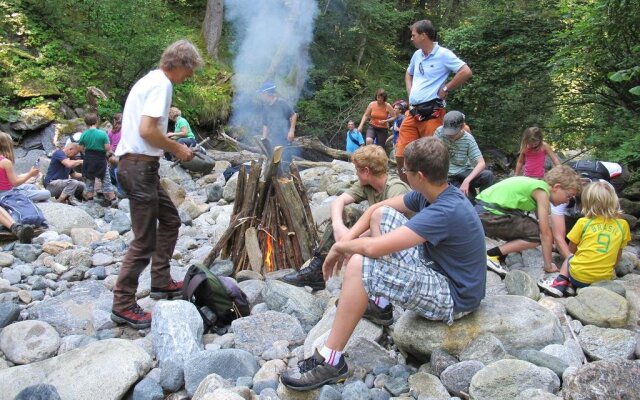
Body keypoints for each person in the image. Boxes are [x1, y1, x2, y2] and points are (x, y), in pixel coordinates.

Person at [280, 137, 486, 390]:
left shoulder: (444, 210)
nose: (402, 174)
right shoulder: (431, 194)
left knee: (358, 263)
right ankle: (380, 303)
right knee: (382, 214)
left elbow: (373, 248)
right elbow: (374, 211)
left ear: (419, 176)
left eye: (405, 171)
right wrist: (348, 237)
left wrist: (339, 246)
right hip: (438, 269)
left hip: (454, 297)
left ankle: (332, 360)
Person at [111, 39, 202, 329]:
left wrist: (166, 141)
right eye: (190, 71)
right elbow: (147, 130)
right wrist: (178, 150)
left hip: (140, 165)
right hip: (138, 167)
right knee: (144, 240)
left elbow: (147, 131)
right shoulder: (163, 84)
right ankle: (123, 304)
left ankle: (161, 281)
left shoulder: (150, 80)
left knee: (171, 220)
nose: (189, 77)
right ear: (181, 65)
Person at [281, 145, 410, 302]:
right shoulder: (367, 185)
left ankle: (378, 287)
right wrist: (338, 226)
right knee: (346, 213)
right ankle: (317, 270)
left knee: (374, 221)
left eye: (357, 169)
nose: (355, 173)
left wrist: (350, 240)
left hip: (404, 246)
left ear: (366, 171)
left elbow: (391, 228)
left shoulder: (396, 189)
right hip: (378, 235)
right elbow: (338, 202)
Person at [396, 19, 472, 183]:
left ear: (424, 35)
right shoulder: (417, 55)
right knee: (401, 154)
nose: (411, 38)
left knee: (433, 157)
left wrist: (446, 88)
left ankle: (434, 192)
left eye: (414, 35)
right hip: (413, 111)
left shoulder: (443, 54)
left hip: (432, 112)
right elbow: (408, 73)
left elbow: (465, 71)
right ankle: (409, 190)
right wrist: (410, 92)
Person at [476, 165, 582, 274]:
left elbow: (540, 220)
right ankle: (492, 255)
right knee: (536, 234)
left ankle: (504, 253)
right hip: (488, 214)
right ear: (557, 187)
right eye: (568, 196)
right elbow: (544, 233)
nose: (567, 202)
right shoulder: (542, 193)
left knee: (532, 226)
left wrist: (550, 244)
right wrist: (548, 265)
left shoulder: (537, 185)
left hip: (484, 212)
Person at [538, 181, 630, 297]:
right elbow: (618, 253)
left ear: (586, 203)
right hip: (604, 278)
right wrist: (611, 269)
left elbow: (572, 248)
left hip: (579, 277)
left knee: (570, 258)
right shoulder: (623, 225)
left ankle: (560, 283)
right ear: (614, 201)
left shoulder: (583, 222)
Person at [434, 111, 493, 202]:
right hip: (448, 174)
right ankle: (470, 197)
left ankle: (483, 203)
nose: (449, 135)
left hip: (464, 171)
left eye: (453, 133)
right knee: (467, 199)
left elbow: (481, 163)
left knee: (487, 175)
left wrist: (467, 180)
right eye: (448, 132)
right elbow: (431, 152)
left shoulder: (468, 139)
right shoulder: (439, 131)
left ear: (461, 127)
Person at [78, 112, 116, 206]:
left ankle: (90, 201)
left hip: (88, 159)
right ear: (97, 121)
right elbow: (107, 148)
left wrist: (87, 151)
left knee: (90, 180)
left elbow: (80, 149)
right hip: (100, 159)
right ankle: (112, 200)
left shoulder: (83, 134)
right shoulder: (102, 134)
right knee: (106, 179)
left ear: (85, 122)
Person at [0, 132, 50, 202]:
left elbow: (9, 179)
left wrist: (28, 174)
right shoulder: (5, 162)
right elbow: (15, 183)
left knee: (31, 186)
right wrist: (30, 175)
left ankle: (31, 199)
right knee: (47, 193)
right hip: (7, 194)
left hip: (5, 191)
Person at [258, 82, 297, 146]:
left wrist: (291, 131)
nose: (261, 96)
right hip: (274, 138)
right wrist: (264, 137)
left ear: (267, 93)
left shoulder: (281, 103)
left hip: (285, 138)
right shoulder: (265, 106)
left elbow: (294, 115)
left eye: (262, 94)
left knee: (285, 155)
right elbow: (265, 124)